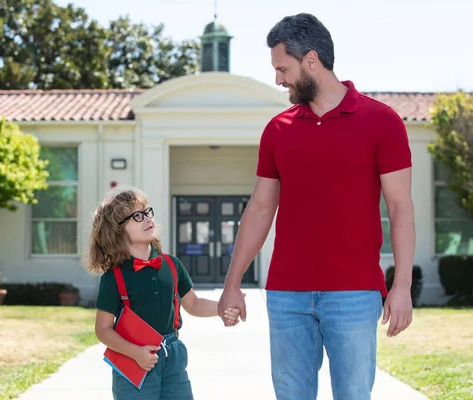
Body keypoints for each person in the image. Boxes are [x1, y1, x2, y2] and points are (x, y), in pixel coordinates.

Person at [217, 12, 416, 400]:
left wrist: (402, 287)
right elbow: (259, 210)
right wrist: (232, 284)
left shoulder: (382, 121)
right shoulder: (278, 129)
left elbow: (401, 208)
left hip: (354, 294)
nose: (278, 80)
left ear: (311, 60)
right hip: (286, 294)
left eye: (282, 68)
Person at [85, 186, 241, 400]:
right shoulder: (114, 277)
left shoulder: (172, 264)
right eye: (136, 216)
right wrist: (135, 353)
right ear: (117, 230)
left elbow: (193, 304)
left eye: (147, 212)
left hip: (173, 356)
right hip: (133, 360)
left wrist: (223, 308)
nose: (147, 218)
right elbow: (103, 329)